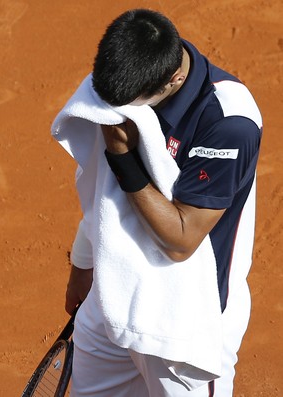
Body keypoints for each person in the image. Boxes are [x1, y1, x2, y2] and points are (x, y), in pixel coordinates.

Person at [63, 8, 262, 397]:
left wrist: (123, 157)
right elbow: (103, 191)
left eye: (133, 104)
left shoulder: (228, 122)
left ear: (175, 80)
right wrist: (83, 266)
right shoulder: (127, 78)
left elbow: (181, 239)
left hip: (185, 325)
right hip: (114, 301)